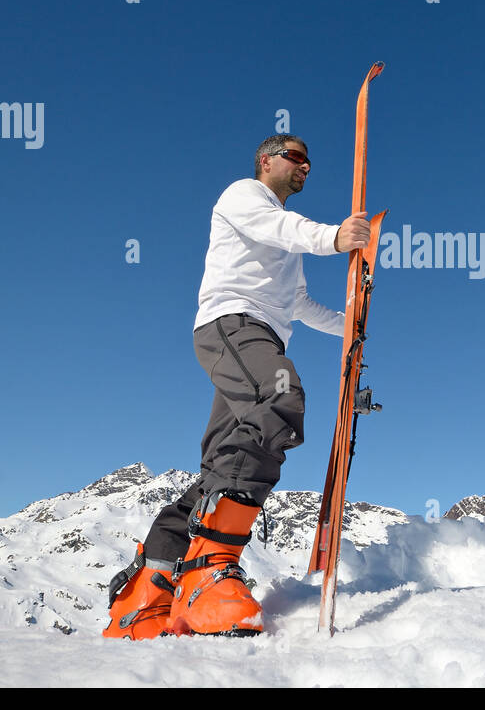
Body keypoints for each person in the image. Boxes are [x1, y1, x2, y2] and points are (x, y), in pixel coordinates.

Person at [103, 134, 370, 638]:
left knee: (223, 461)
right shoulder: (244, 196)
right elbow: (283, 229)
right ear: (266, 161)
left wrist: (348, 323)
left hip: (258, 334)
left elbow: (298, 303)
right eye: (296, 157)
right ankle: (209, 571)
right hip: (233, 322)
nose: (306, 166)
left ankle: (148, 596)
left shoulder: (285, 240)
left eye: (310, 161)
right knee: (280, 395)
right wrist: (336, 238)